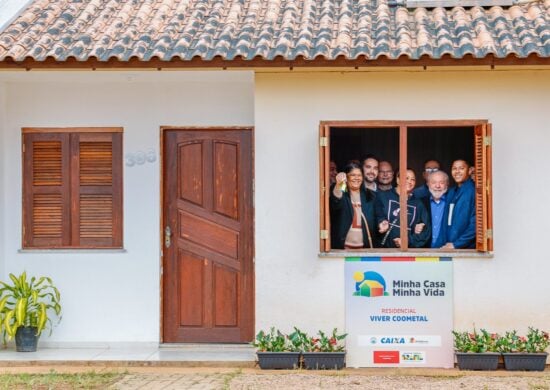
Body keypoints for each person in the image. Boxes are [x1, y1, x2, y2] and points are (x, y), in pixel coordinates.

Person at [375, 169, 431, 248]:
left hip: (407, 253)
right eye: (406, 178)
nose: (409, 181)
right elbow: (376, 215)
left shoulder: (418, 204)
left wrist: (408, 241)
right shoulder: (383, 197)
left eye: (413, 179)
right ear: (398, 180)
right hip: (383, 250)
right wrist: (381, 222)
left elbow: (426, 230)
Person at [330, 163, 377, 249]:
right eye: (353, 175)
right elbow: (336, 201)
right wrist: (339, 183)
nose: (356, 178)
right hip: (343, 249)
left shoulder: (370, 195)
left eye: (359, 175)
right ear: (346, 177)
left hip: (365, 249)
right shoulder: (343, 193)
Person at [442, 159, 476, 249]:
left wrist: (457, 244)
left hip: (465, 248)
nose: (457, 171)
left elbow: (476, 224)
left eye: (461, 168)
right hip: (449, 245)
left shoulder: (473, 191)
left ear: (469, 171)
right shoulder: (452, 191)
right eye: (454, 168)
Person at [416, 170, 451, 248]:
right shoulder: (421, 202)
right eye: (433, 182)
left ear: (447, 184)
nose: (437, 186)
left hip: (446, 249)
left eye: (441, 183)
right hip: (424, 250)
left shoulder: (452, 202)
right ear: (428, 184)